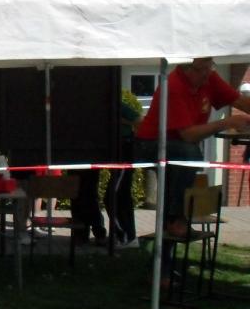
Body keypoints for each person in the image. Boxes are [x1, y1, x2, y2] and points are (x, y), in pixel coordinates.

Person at [135, 58, 250, 282]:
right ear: (187, 68)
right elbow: (188, 135)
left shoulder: (208, 77)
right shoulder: (174, 86)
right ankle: (176, 219)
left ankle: (162, 266)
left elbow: (238, 100)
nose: (208, 75)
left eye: (210, 68)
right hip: (151, 144)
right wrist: (226, 123)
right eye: (202, 70)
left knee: (181, 172)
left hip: (177, 146)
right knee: (189, 154)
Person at [105, 97, 142, 248]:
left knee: (113, 196)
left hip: (124, 152)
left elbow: (140, 120)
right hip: (119, 153)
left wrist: (123, 121)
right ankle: (126, 235)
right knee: (122, 195)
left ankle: (126, 236)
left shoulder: (117, 104)